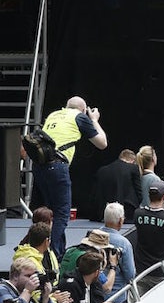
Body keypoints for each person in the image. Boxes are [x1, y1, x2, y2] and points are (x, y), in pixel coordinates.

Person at [27, 96, 108, 256]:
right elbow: (102, 143)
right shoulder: (79, 117)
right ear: (83, 110)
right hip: (57, 166)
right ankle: (53, 255)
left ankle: (49, 249)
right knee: (62, 214)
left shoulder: (53, 115)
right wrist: (94, 120)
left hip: (39, 166)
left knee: (48, 212)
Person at [94, 148, 142, 222]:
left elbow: (96, 194)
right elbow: (139, 191)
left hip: (105, 214)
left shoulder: (102, 170)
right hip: (127, 213)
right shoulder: (133, 168)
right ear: (132, 161)